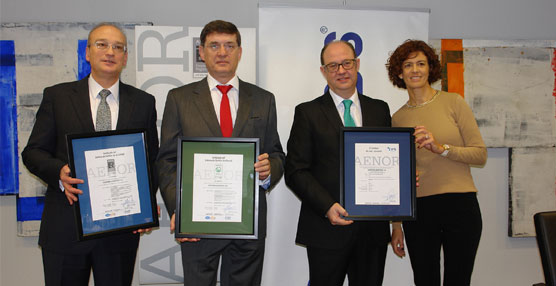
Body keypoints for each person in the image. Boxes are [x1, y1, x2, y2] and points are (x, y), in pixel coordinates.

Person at [21, 23, 159, 286]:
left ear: (125, 57)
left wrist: (145, 209)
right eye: (102, 44)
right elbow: (33, 152)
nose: (110, 52)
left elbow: (151, 160)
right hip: (66, 228)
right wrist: (59, 173)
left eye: (118, 47)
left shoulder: (143, 102)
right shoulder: (58, 96)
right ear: (88, 52)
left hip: (119, 232)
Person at [156, 20, 285, 286]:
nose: (222, 52)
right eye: (214, 45)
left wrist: (269, 169)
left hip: (247, 224)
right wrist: (178, 209)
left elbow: (277, 153)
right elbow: (167, 160)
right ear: (201, 52)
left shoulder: (263, 99)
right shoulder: (179, 99)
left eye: (229, 45)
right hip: (197, 222)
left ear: (240, 51)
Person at [285, 40, 391, 286]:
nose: (341, 70)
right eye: (332, 66)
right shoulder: (307, 112)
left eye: (347, 63)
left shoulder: (380, 109)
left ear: (358, 65)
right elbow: (296, 170)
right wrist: (327, 206)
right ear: (323, 71)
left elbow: (389, 162)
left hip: (372, 231)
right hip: (325, 228)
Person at [386, 39, 487, 286]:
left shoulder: (454, 102)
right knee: (424, 279)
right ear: (399, 73)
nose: (415, 70)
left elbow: (480, 154)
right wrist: (396, 224)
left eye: (421, 63)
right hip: (419, 209)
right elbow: (397, 177)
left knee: (458, 279)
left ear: (430, 68)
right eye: (408, 65)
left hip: (460, 204)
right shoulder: (397, 119)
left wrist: (442, 150)